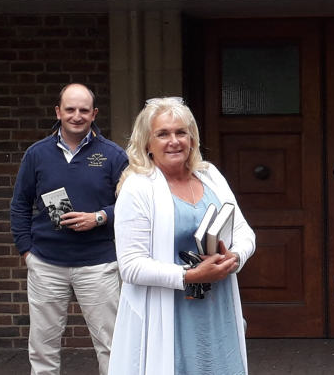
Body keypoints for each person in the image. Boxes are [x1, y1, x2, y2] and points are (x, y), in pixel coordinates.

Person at [109, 97, 255, 375]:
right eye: (162, 134)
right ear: (147, 143)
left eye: (180, 132)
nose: (173, 141)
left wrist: (235, 257)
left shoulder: (210, 175)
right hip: (169, 312)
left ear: (192, 138)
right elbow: (130, 266)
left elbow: (244, 231)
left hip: (217, 308)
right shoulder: (137, 188)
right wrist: (190, 276)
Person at [10, 83, 128, 375]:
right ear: (58, 111)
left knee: (112, 346)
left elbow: (133, 207)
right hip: (47, 264)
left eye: (84, 110)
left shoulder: (114, 155)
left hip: (98, 264)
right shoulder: (36, 154)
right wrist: (27, 252)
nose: (77, 115)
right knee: (43, 348)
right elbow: (20, 205)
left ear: (94, 113)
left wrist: (99, 217)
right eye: (70, 109)